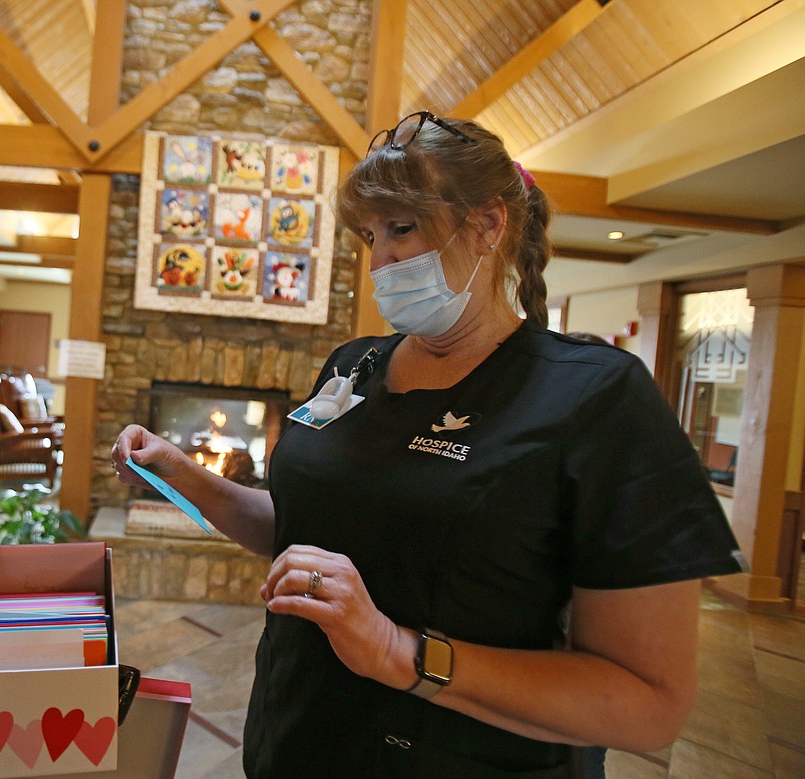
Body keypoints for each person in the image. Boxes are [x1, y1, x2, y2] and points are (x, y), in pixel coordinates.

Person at [111, 111, 746, 777]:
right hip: (299, 741)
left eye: (402, 229)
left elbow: (649, 700)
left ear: (488, 225)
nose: (379, 260)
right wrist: (182, 473)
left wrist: (400, 652)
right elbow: (310, 533)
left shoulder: (595, 397)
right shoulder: (352, 367)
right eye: (370, 235)